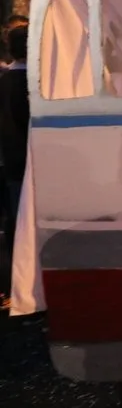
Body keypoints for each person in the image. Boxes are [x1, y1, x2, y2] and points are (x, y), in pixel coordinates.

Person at [0, 26, 28, 263]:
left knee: (13, 218)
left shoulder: (5, 80)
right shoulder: (29, 84)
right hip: (28, 162)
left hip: (9, 161)